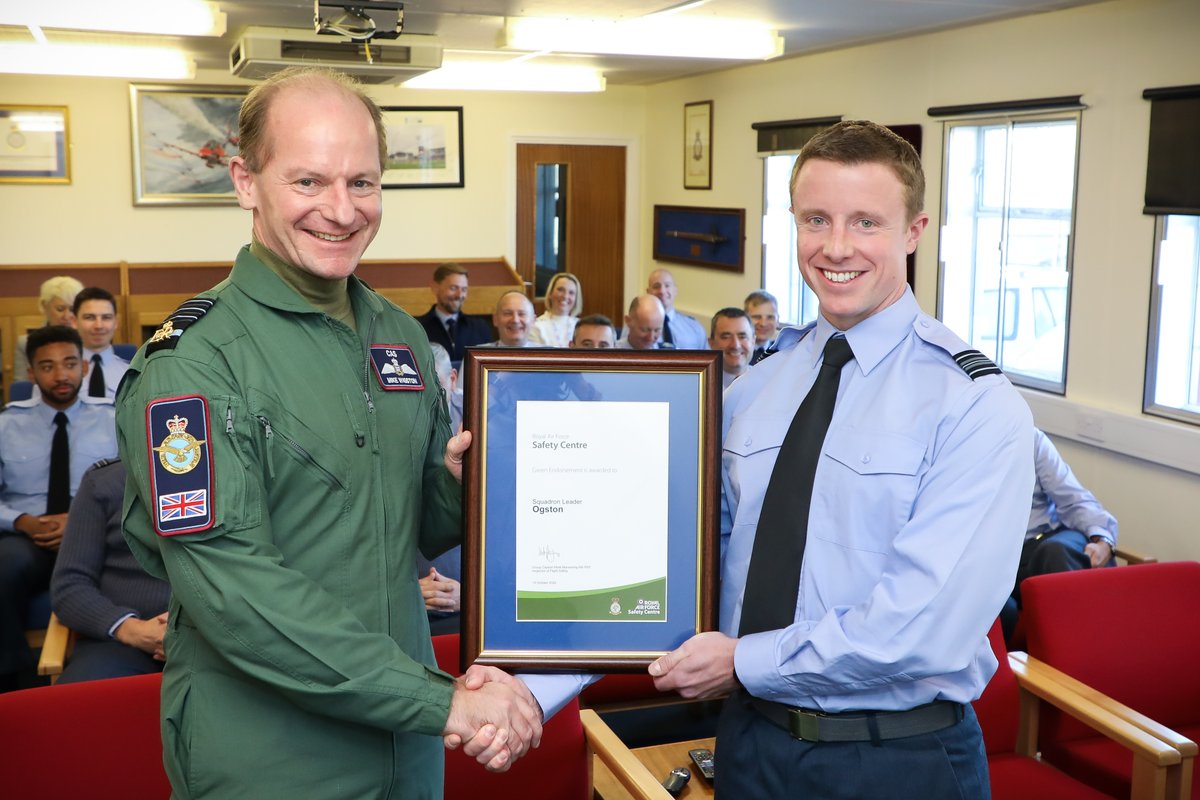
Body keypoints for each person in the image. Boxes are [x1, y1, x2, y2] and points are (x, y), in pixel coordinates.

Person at [115, 67, 542, 798]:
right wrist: (443, 699)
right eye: (308, 182)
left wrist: (458, 483)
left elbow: (408, 525)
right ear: (246, 181)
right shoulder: (193, 364)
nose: (341, 211)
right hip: (272, 757)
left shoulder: (398, 335)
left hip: (406, 748)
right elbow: (236, 593)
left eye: (364, 183)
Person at [648, 120, 1033, 799]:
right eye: (816, 219)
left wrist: (745, 662)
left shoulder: (972, 405)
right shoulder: (757, 388)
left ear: (914, 231)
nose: (836, 247)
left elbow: (921, 627)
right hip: (750, 744)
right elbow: (700, 554)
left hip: (895, 759)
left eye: (866, 223)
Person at [0, 326, 117, 692]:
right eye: (47, 367)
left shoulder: (115, 419)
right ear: (31, 374)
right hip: (26, 536)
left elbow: (133, 487)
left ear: (83, 367)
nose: (61, 375)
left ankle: (112, 674)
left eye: (69, 364)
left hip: (96, 534)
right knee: (4, 567)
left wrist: (80, 522)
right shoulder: (6, 424)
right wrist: (21, 521)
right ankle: (14, 682)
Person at [50, 458, 170, 683]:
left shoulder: (248, 476)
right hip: (126, 640)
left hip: (227, 641)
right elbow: (70, 586)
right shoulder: (104, 481)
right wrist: (133, 630)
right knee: (81, 702)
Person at [1003, 428, 1119, 639]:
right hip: (997, 555)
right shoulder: (952, 445)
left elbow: (1075, 500)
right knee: (1003, 610)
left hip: (1048, 538)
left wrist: (1103, 540)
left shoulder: (1029, 437)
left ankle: (1088, 649)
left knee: (1056, 552)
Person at [416, 263, 493, 365]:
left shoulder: (480, 328)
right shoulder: (417, 328)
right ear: (435, 287)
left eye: (464, 289)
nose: (459, 295)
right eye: (453, 288)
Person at [12, 275, 83, 383]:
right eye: (60, 309)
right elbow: (21, 388)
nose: (67, 315)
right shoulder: (25, 343)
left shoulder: (87, 341)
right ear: (44, 306)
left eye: (72, 309)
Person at [73, 286, 130, 400]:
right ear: (74, 321)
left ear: (116, 322)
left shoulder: (130, 375)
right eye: (89, 317)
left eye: (106, 317)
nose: (99, 325)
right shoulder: (61, 374)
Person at [647, 268, 707, 349]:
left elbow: (708, 360)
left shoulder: (694, 328)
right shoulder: (636, 326)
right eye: (656, 286)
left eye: (667, 285)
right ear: (648, 292)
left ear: (675, 290)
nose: (662, 291)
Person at [528, 272, 582, 347]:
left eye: (571, 292)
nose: (565, 296)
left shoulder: (582, 326)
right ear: (550, 293)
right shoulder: (536, 326)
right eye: (560, 290)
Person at [708, 307, 754, 389]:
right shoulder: (697, 385)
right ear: (711, 343)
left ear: (753, 341)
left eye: (742, 337)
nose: (735, 345)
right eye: (726, 337)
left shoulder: (769, 383)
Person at [744, 290, 779, 365]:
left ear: (777, 320)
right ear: (745, 319)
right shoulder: (736, 354)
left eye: (770, 317)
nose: (763, 323)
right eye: (757, 317)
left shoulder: (782, 353)